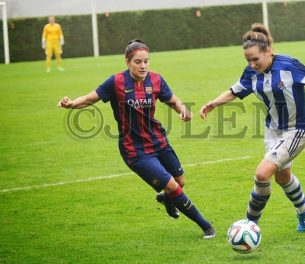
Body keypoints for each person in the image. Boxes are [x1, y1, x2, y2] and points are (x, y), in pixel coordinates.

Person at [199, 24, 305, 233]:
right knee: (283, 177)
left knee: (262, 174)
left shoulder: (289, 65)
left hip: (297, 130)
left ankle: (249, 224)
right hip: (272, 131)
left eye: (255, 59)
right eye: (248, 60)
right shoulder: (250, 72)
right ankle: (304, 207)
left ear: (268, 51)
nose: (251, 64)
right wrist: (212, 104)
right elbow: (235, 90)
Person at [58, 39, 215, 239]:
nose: (143, 66)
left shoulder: (156, 80)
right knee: (173, 186)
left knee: (180, 182)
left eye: (146, 61)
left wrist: (183, 110)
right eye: (138, 62)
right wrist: (71, 104)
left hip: (159, 141)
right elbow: (90, 99)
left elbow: (174, 101)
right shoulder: (115, 82)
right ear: (127, 62)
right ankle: (206, 226)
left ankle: (168, 200)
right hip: (135, 150)